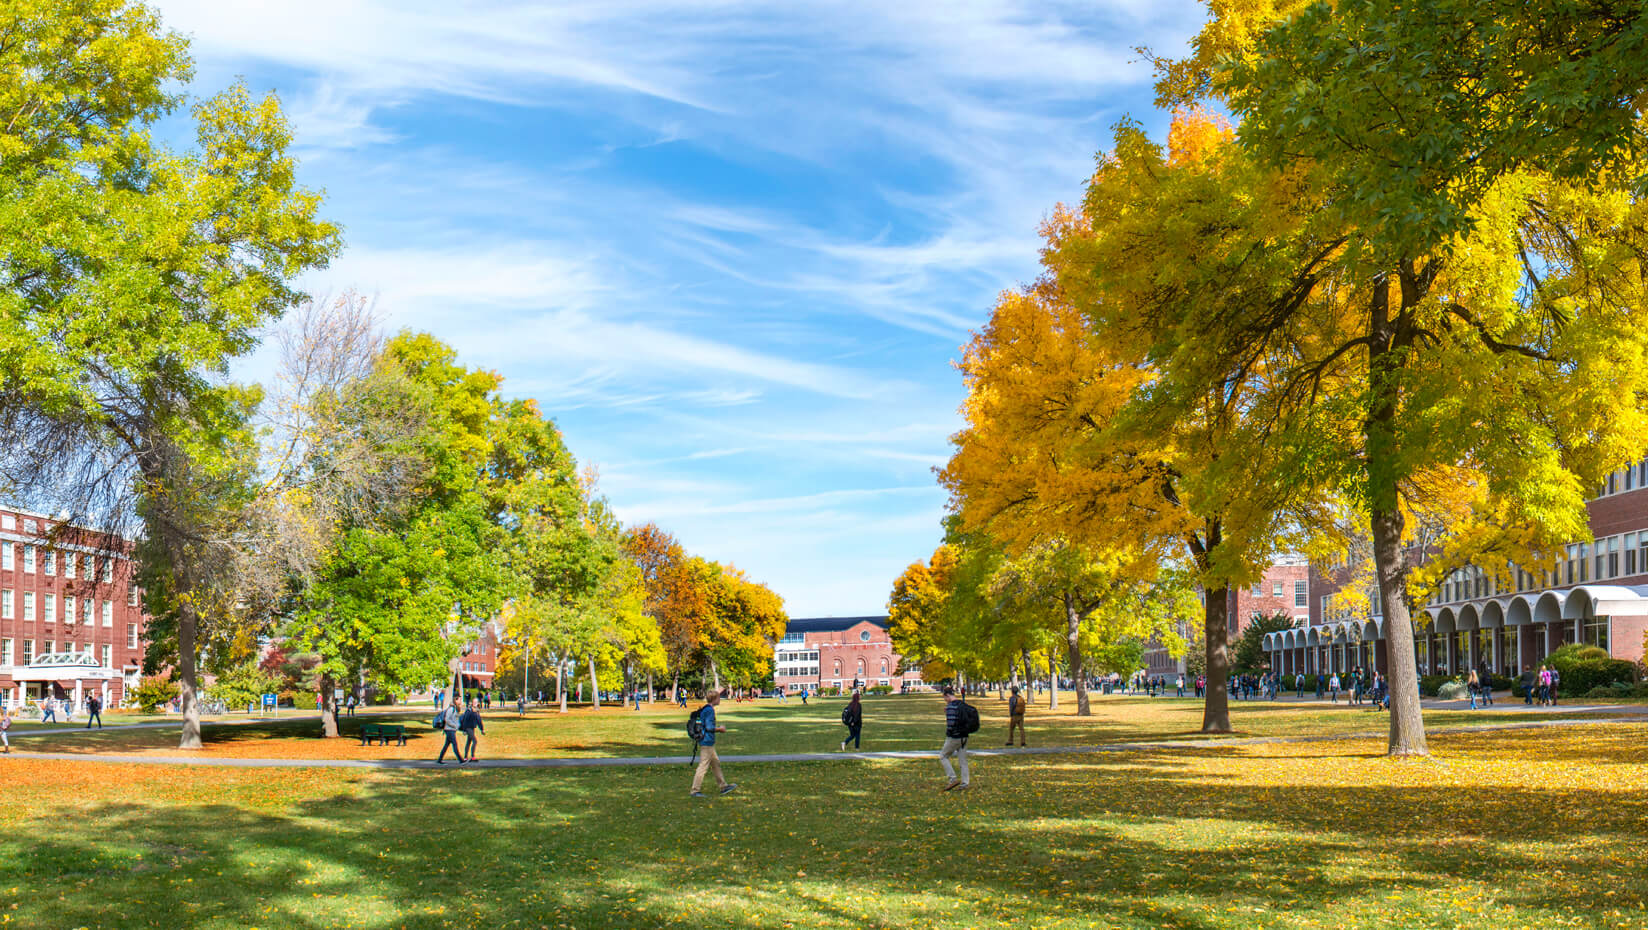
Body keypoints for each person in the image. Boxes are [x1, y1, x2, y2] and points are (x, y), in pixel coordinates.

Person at [690, 692, 736, 798]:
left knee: (715, 764)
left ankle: (723, 786)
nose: (719, 700)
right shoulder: (710, 710)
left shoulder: (705, 709)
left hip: (707, 741)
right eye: (718, 697)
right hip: (707, 742)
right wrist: (720, 729)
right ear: (714, 699)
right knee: (703, 766)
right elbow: (709, 727)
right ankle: (695, 790)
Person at [939, 686, 970, 792]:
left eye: (944, 698)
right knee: (963, 760)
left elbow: (951, 724)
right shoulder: (962, 704)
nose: (945, 700)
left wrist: (949, 733)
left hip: (954, 737)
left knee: (943, 756)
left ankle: (952, 779)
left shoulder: (951, 707)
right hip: (965, 736)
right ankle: (965, 783)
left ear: (947, 695)